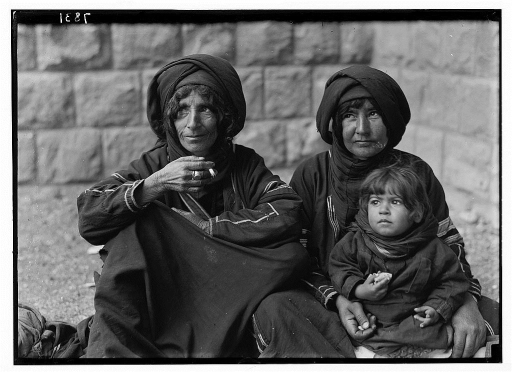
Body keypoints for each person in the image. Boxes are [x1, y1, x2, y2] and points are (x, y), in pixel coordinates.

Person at [252, 65, 499, 358]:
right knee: (274, 308)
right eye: (349, 115)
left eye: (374, 114)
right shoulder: (312, 174)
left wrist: (464, 302)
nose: (362, 129)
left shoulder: (415, 172)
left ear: (391, 120)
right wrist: (338, 300)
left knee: (494, 317)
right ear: (334, 122)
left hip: (412, 305)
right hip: (337, 303)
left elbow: (447, 245)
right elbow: (297, 256)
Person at [72, 54, 310, 358]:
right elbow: (90, 216)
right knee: (139, 225)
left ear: (223, 117)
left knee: (293, 254)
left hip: (225, 283)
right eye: (182, 110)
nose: (193, 124)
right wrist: (155, 184)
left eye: (206, 109)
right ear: (169, 119)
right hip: (169, 293)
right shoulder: (154, 164)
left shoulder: (243, 164)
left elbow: (288, 209)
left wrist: (207, 227)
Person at [329, 162, 469, 356]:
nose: (383, 210)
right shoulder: (354, 242)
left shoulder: (433, 249)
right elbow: (339, 266)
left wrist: (435, 307)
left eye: (395, 202)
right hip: (372, 321)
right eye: (375, 202)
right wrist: (360, 289)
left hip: (413, 321)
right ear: (365, 207)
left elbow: (452, 282)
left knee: (432, 338)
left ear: (416, 213)